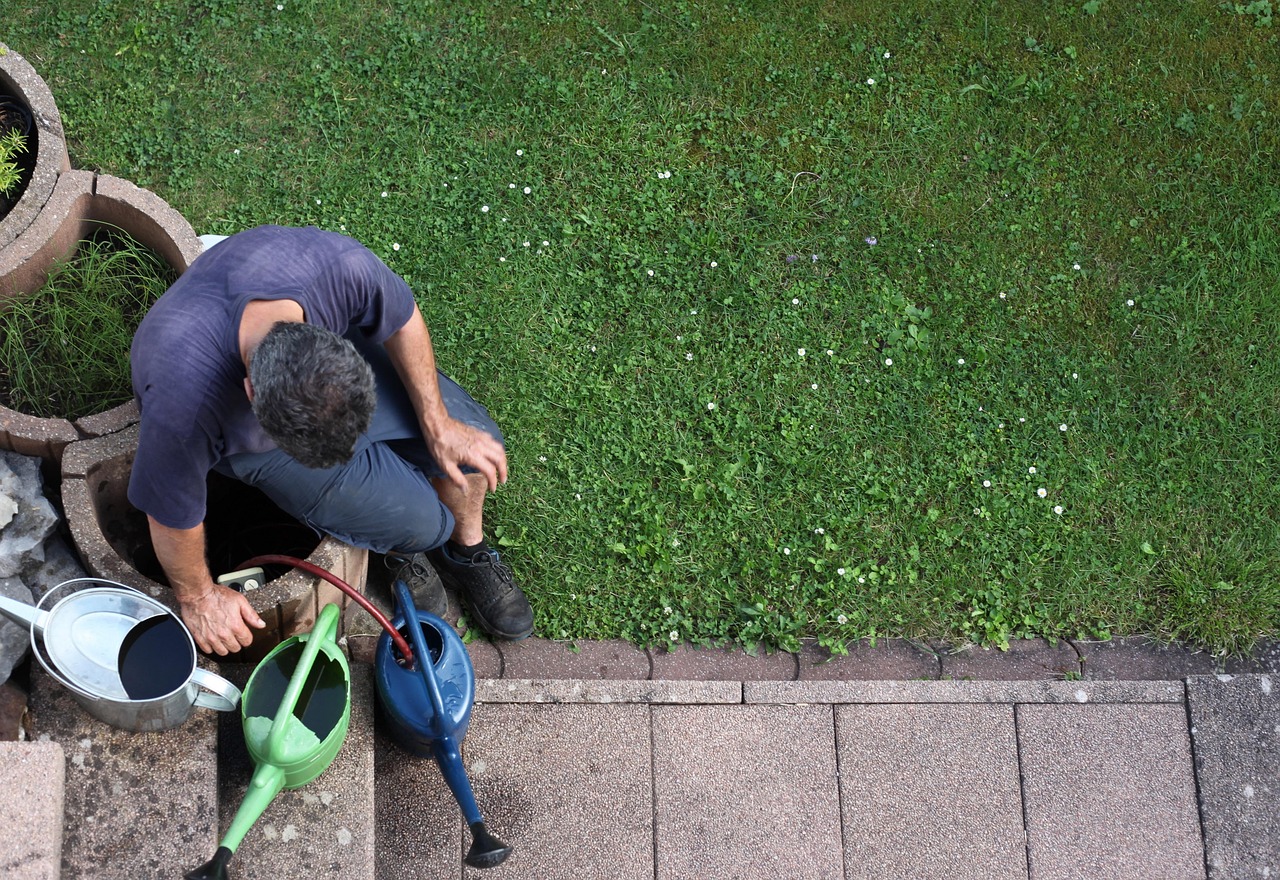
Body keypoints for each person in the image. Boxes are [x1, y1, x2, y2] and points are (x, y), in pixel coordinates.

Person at [128, 224, 533, 655]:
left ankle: (466, 549)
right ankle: (400, 549)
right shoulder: (184, 406)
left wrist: (437, 421)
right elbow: (170, 513)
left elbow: (404, 318)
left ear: (334, 340)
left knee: (480, 445)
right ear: (250, 393)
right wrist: (199, 598)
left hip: (312, 381)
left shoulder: (336, 271)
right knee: (422, 524)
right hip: (250, 445)